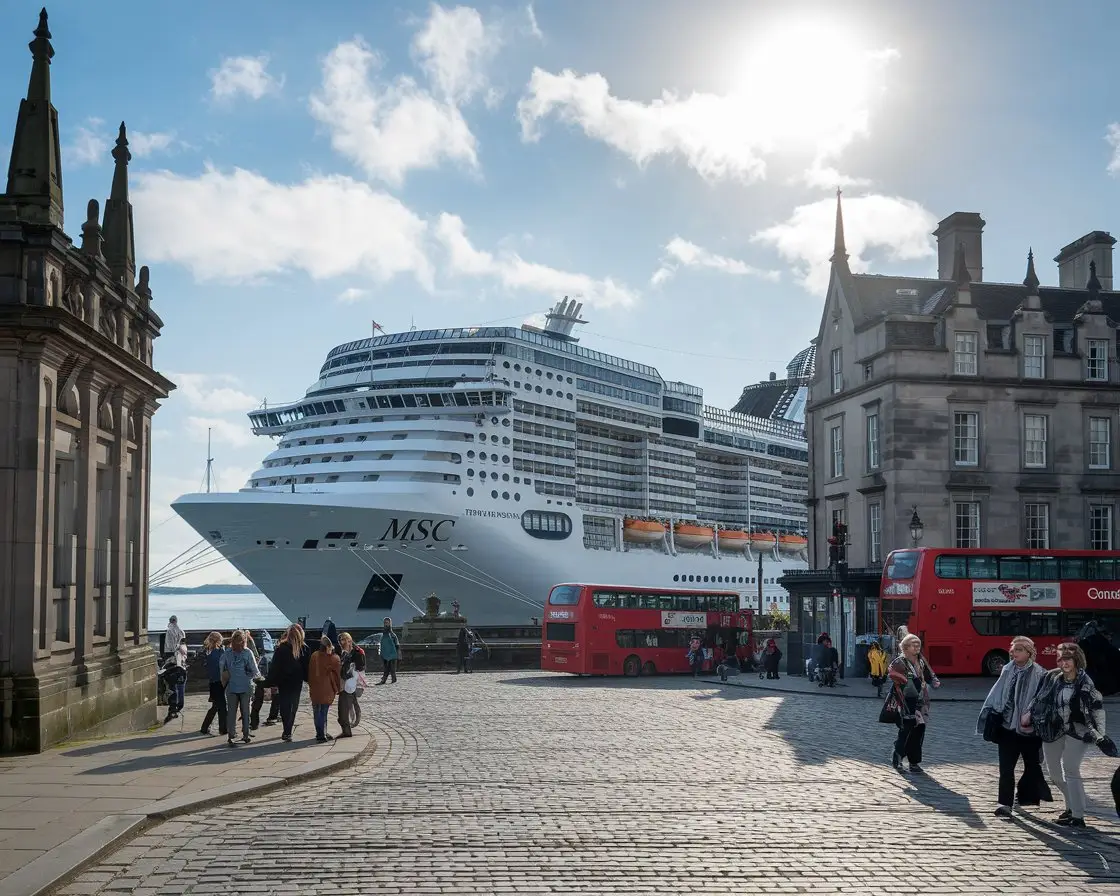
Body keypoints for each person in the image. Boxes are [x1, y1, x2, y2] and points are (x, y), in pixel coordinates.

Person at [1024, 642, 1117, 828]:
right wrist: (1029, 713)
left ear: (1077, 660)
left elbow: (1097, 709)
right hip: (1053, 729)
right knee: (1055, 775)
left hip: (1078, 731)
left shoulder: (1086, 682)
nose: (1063, 662)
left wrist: (1100, 735)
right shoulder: (1051, 677)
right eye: (1060, 658)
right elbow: (1038, 698)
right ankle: (1072, 806)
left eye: (1067, 659)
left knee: (1071, 769)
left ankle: (1077, 815)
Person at [976, 636, 1049, 818]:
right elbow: (998, 692)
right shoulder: (1008, 669)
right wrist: (993, 710)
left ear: (1029, 652)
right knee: (1006, 768)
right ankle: (1004, 804)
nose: (1014, 653)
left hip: (1028, 729)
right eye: (1013, 650)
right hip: (1007, 727)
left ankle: (1024, 796)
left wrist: (1030, 713)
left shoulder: (1039, 673)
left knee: (1032, 766)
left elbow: (1041, 698)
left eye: (1019, 650)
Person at [887, 633, 940, 774]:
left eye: (918, 644)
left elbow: (929, 675)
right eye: (913, 644)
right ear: (905, 647)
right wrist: (904, 679)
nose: (917, 647)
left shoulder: (921, 660)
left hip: (921, 702)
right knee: (906, 730)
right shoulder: (900, 661)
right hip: (905, 701)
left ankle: (914, 762)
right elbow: (891, 673)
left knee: (919, 730)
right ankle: (897, 758)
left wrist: (933, 681)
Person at [265, 624, 307, 743]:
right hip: (296, 681)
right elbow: (306, 666)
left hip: (283, 681)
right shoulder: (303, 648)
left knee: (285, 705)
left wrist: (270, 681)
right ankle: (288, 731)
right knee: (293, 706)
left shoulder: (281, 648)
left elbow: (274, 667)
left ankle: (286, 730)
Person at [220, 630, 261, 747]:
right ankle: (246, 734)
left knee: (231, 712)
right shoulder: (248, 653)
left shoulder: (227, 653)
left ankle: (231, 735)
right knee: (245, 711)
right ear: (244, 641)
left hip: (231, 686)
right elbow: (255, 671)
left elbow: (222, 669)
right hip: (245, 685)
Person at [308, 635, 342, 743]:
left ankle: (319, 732)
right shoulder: (334, 658)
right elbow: (337, 675)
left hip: (315, 688)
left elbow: (310, 672)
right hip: (327, 689)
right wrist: (338, 688)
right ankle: (322, 734)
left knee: (316, 711)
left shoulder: (314, 655)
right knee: (323, 711)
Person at [337, 632, 365, 737]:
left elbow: (361, 668)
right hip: (344, 684)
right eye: (340, 640)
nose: (342, 642)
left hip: (351, 684)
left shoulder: (357, 652)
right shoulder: (341, 652)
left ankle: (347, 731)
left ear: (350, 640)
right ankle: (347, 729)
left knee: (344, 710)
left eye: (344, 640)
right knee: (344, 709)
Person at [200, 632, 227, 737]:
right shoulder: (219, 652)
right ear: (218, 641)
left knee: (216, 706)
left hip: (213, 682)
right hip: (219, 681)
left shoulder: (209, 651)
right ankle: (223, 729)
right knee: (222, 707)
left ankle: (205, 727)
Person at [377, 617, 401, 684]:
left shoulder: (392, 635)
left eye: (387, 623)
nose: (386, 624)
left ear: (390, 624)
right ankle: (384, 680)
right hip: (385, 654)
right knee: (386, 668)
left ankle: (393, 679)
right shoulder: (384, 634)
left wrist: (398, 654)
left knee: (392, 669)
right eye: (385, 623)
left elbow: (397, 645)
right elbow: (383, 644)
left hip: (392, 654)